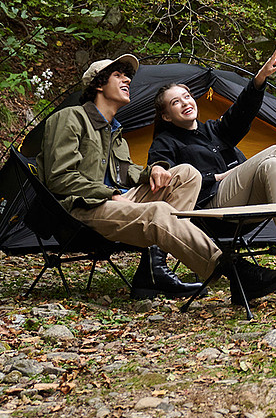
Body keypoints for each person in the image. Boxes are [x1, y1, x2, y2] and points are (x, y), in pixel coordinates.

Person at [36, 54, 253, 306]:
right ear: (98, 84)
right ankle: (234, 270)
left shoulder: (115, 130)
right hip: (83, 207)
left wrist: (153, 172)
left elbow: (126, 171)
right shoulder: (70, 118)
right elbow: (59, 177)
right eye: (117, 75)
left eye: (127, 75)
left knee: (186, 174)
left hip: (116, 200)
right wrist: (108, 194)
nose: (127, 79)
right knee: (159, 212)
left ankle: (154, 267)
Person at [148, 46, 276, 292]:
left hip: (241, 207)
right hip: (210, 213)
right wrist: (213, 177)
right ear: (167, 116)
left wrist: (259, 79)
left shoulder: (213, 131)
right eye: (175, 102)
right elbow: (167, 182)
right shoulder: (165, 142)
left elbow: (240, 114)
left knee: (273, 164)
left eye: (187, 96)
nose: (185, 103)